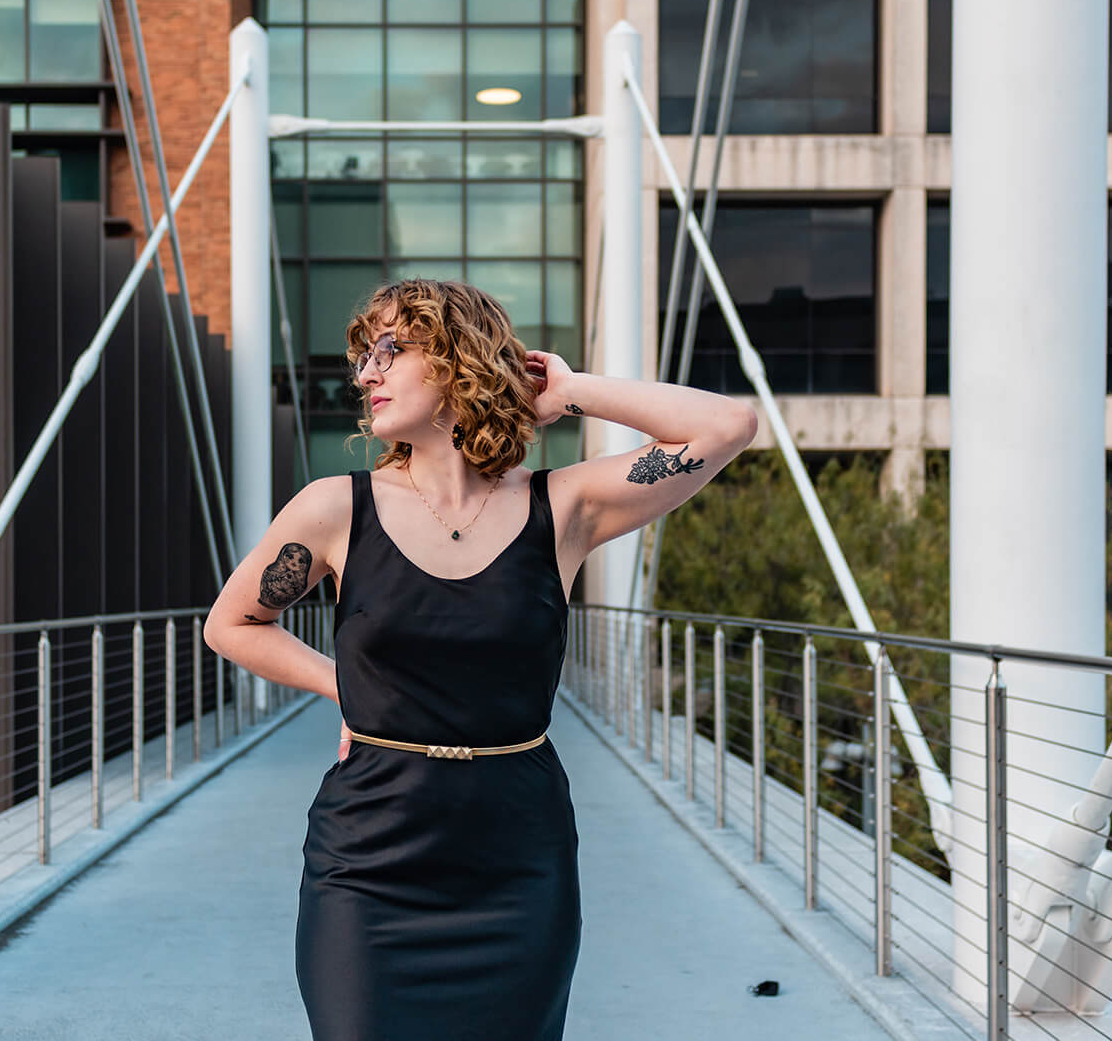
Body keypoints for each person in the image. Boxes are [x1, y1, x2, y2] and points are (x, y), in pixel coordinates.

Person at [203, 277, 759, 1041]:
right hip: (369, 862)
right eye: (363, 355)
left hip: (518, 863)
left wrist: (572, 390)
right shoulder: (335, 508)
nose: (365, 372)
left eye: (391, 349)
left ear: (461, 360)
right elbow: (232, 623)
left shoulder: (561, 508)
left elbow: (730, 423)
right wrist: (348, 688)